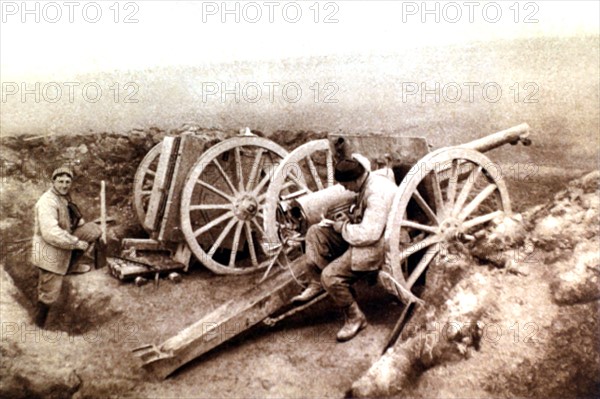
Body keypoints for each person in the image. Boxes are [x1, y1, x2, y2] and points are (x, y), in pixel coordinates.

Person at [291, 149, 397, 342]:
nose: (346, 189)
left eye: (346, 185)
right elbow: (363, 217)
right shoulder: (364, 182)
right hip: (361, 233)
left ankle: (356, 317)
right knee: (315, 232)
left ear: (356, 180)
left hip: (378, 244)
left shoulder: (377, 193)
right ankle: (318, 282)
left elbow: (370, 234)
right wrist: (348, 219)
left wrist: (343, 228)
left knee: (330, 276)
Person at [31, 164, 102, 328]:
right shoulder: (47, 202)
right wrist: (76, 242)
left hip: (62, 244)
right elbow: (51, 234)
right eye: (60, 181)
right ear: (53, 182)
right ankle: (37, 326)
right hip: (49, 251)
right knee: (49, 294)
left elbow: (70, 217)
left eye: (67, 182)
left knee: (93, 230)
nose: (64, 185)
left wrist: (78, 221)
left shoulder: (62, 197)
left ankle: (69, 266)